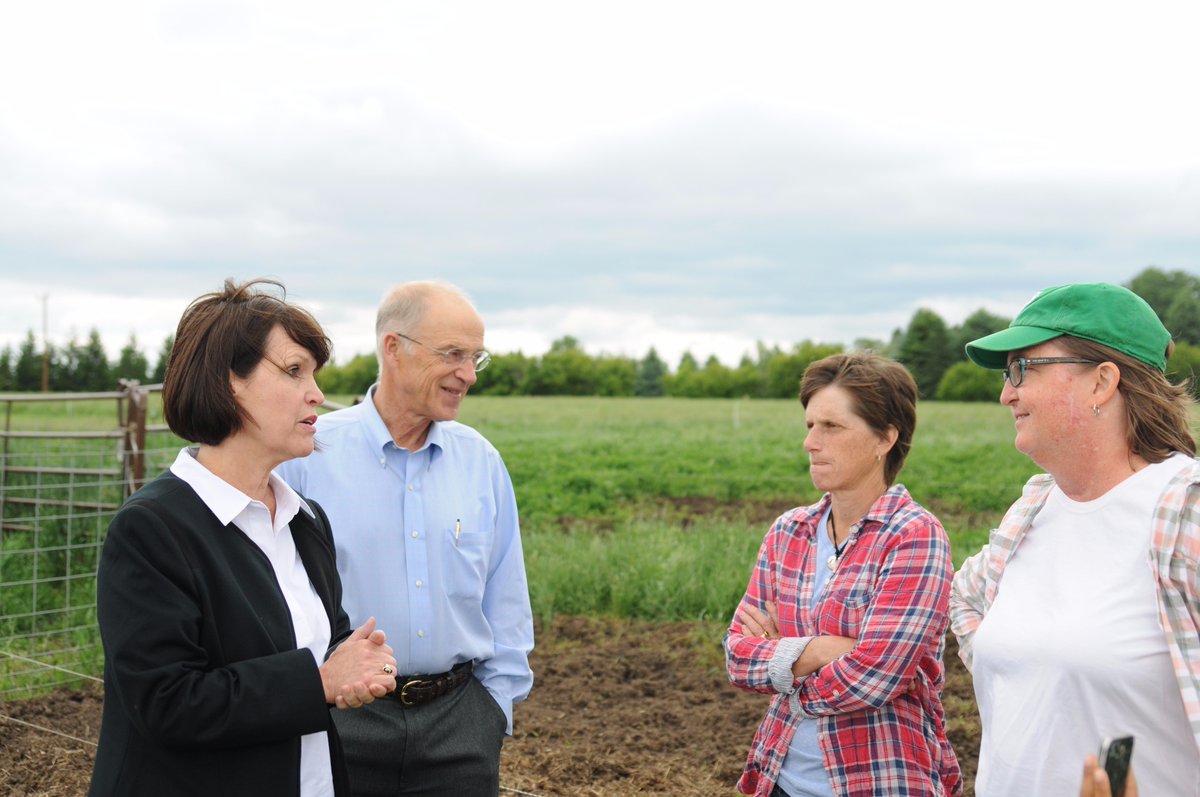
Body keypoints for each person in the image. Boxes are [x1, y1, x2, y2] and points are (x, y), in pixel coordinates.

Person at [89, 279, 398, 797]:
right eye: (295, 370)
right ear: (229, 382)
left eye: (314, 374)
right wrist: (320, 682)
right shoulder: (151, 529)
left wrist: (359, 662)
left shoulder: (305, 519)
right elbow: (166, 702)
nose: (317, 394)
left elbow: (319, 643)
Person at [277, 280, 533, 797]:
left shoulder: (480, 460)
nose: (468, 374)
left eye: (476, 358)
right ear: (394, 348)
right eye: (453, 354)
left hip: (460, 723)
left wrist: (492, 711)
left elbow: (505, 593)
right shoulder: (308, 457)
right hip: (339, 720)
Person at [950, 282, 1200, 796]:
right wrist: (1024, 676)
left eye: (1021, 369)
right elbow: (965, 598)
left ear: (1101, 382)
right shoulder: (1034, 508)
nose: (1006, 394)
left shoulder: (1183, 511)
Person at [725, 352, 962, 797]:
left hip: (879, 779)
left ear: (884, 438)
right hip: (779, 777)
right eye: (810, 425)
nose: (810, 442)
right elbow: (737, 656)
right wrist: (823, 650)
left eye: (831, 426)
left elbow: (875, 677)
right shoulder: (788, 532)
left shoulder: (914, 535)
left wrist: (784, 669)